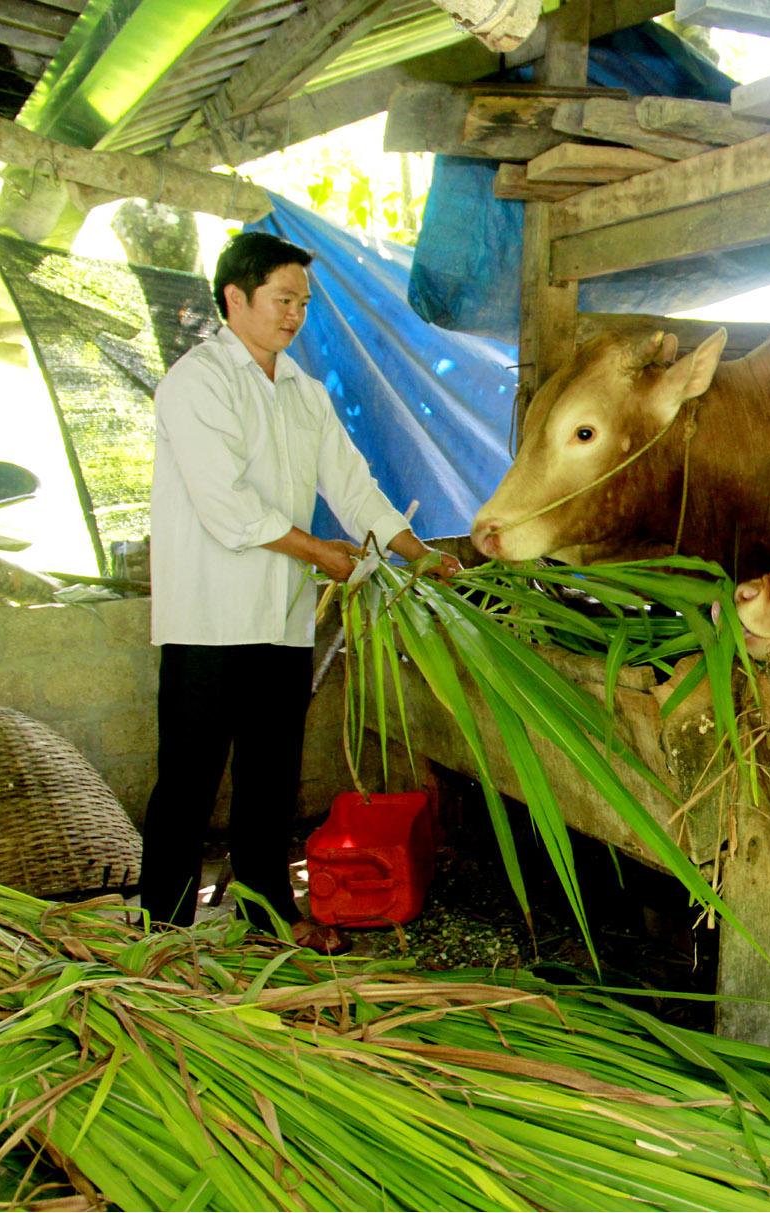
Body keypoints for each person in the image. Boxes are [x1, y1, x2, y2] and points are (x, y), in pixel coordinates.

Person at [139, 230, 460, 952]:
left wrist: (418, 554)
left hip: (280, 619)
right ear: (235, 299)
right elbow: (228, 506)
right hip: (207, 618)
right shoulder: (197, 383)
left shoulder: (304, 394)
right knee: (188, 783)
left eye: (303, 303)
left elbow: (353, 486)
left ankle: (266, 914)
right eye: (283, 300)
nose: (295, 315)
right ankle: (161, 929)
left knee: (270, 780)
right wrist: (319, 551)